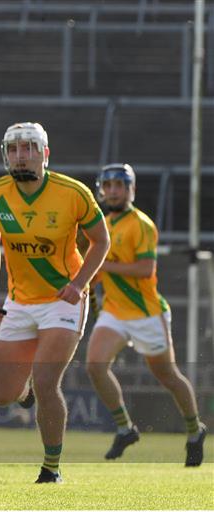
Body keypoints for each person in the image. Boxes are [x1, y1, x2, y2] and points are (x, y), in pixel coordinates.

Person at [0, 122, 110, 483]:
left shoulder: (73, 193)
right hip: (18, 301)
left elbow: (101, 241)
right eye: (15, 149)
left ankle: (51, 467)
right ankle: (26, 394)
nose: (22, 155)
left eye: (29, 148)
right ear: (6, 155)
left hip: (62, 301)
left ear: (44, 154)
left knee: (47, 379)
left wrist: (79, 284)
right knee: (2, 396)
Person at [86, 163, 207, 466]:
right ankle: (125, 428)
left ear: (131, 190)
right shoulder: (103, 225)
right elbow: (98, 269)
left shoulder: (141, 224)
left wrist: (103, 266)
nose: (113, 190)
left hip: (146, 313)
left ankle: (194, 430)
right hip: (114, 312)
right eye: (108, 185)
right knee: (95, 366)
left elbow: (145, 269)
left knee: (167, 376)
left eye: (119, 185)